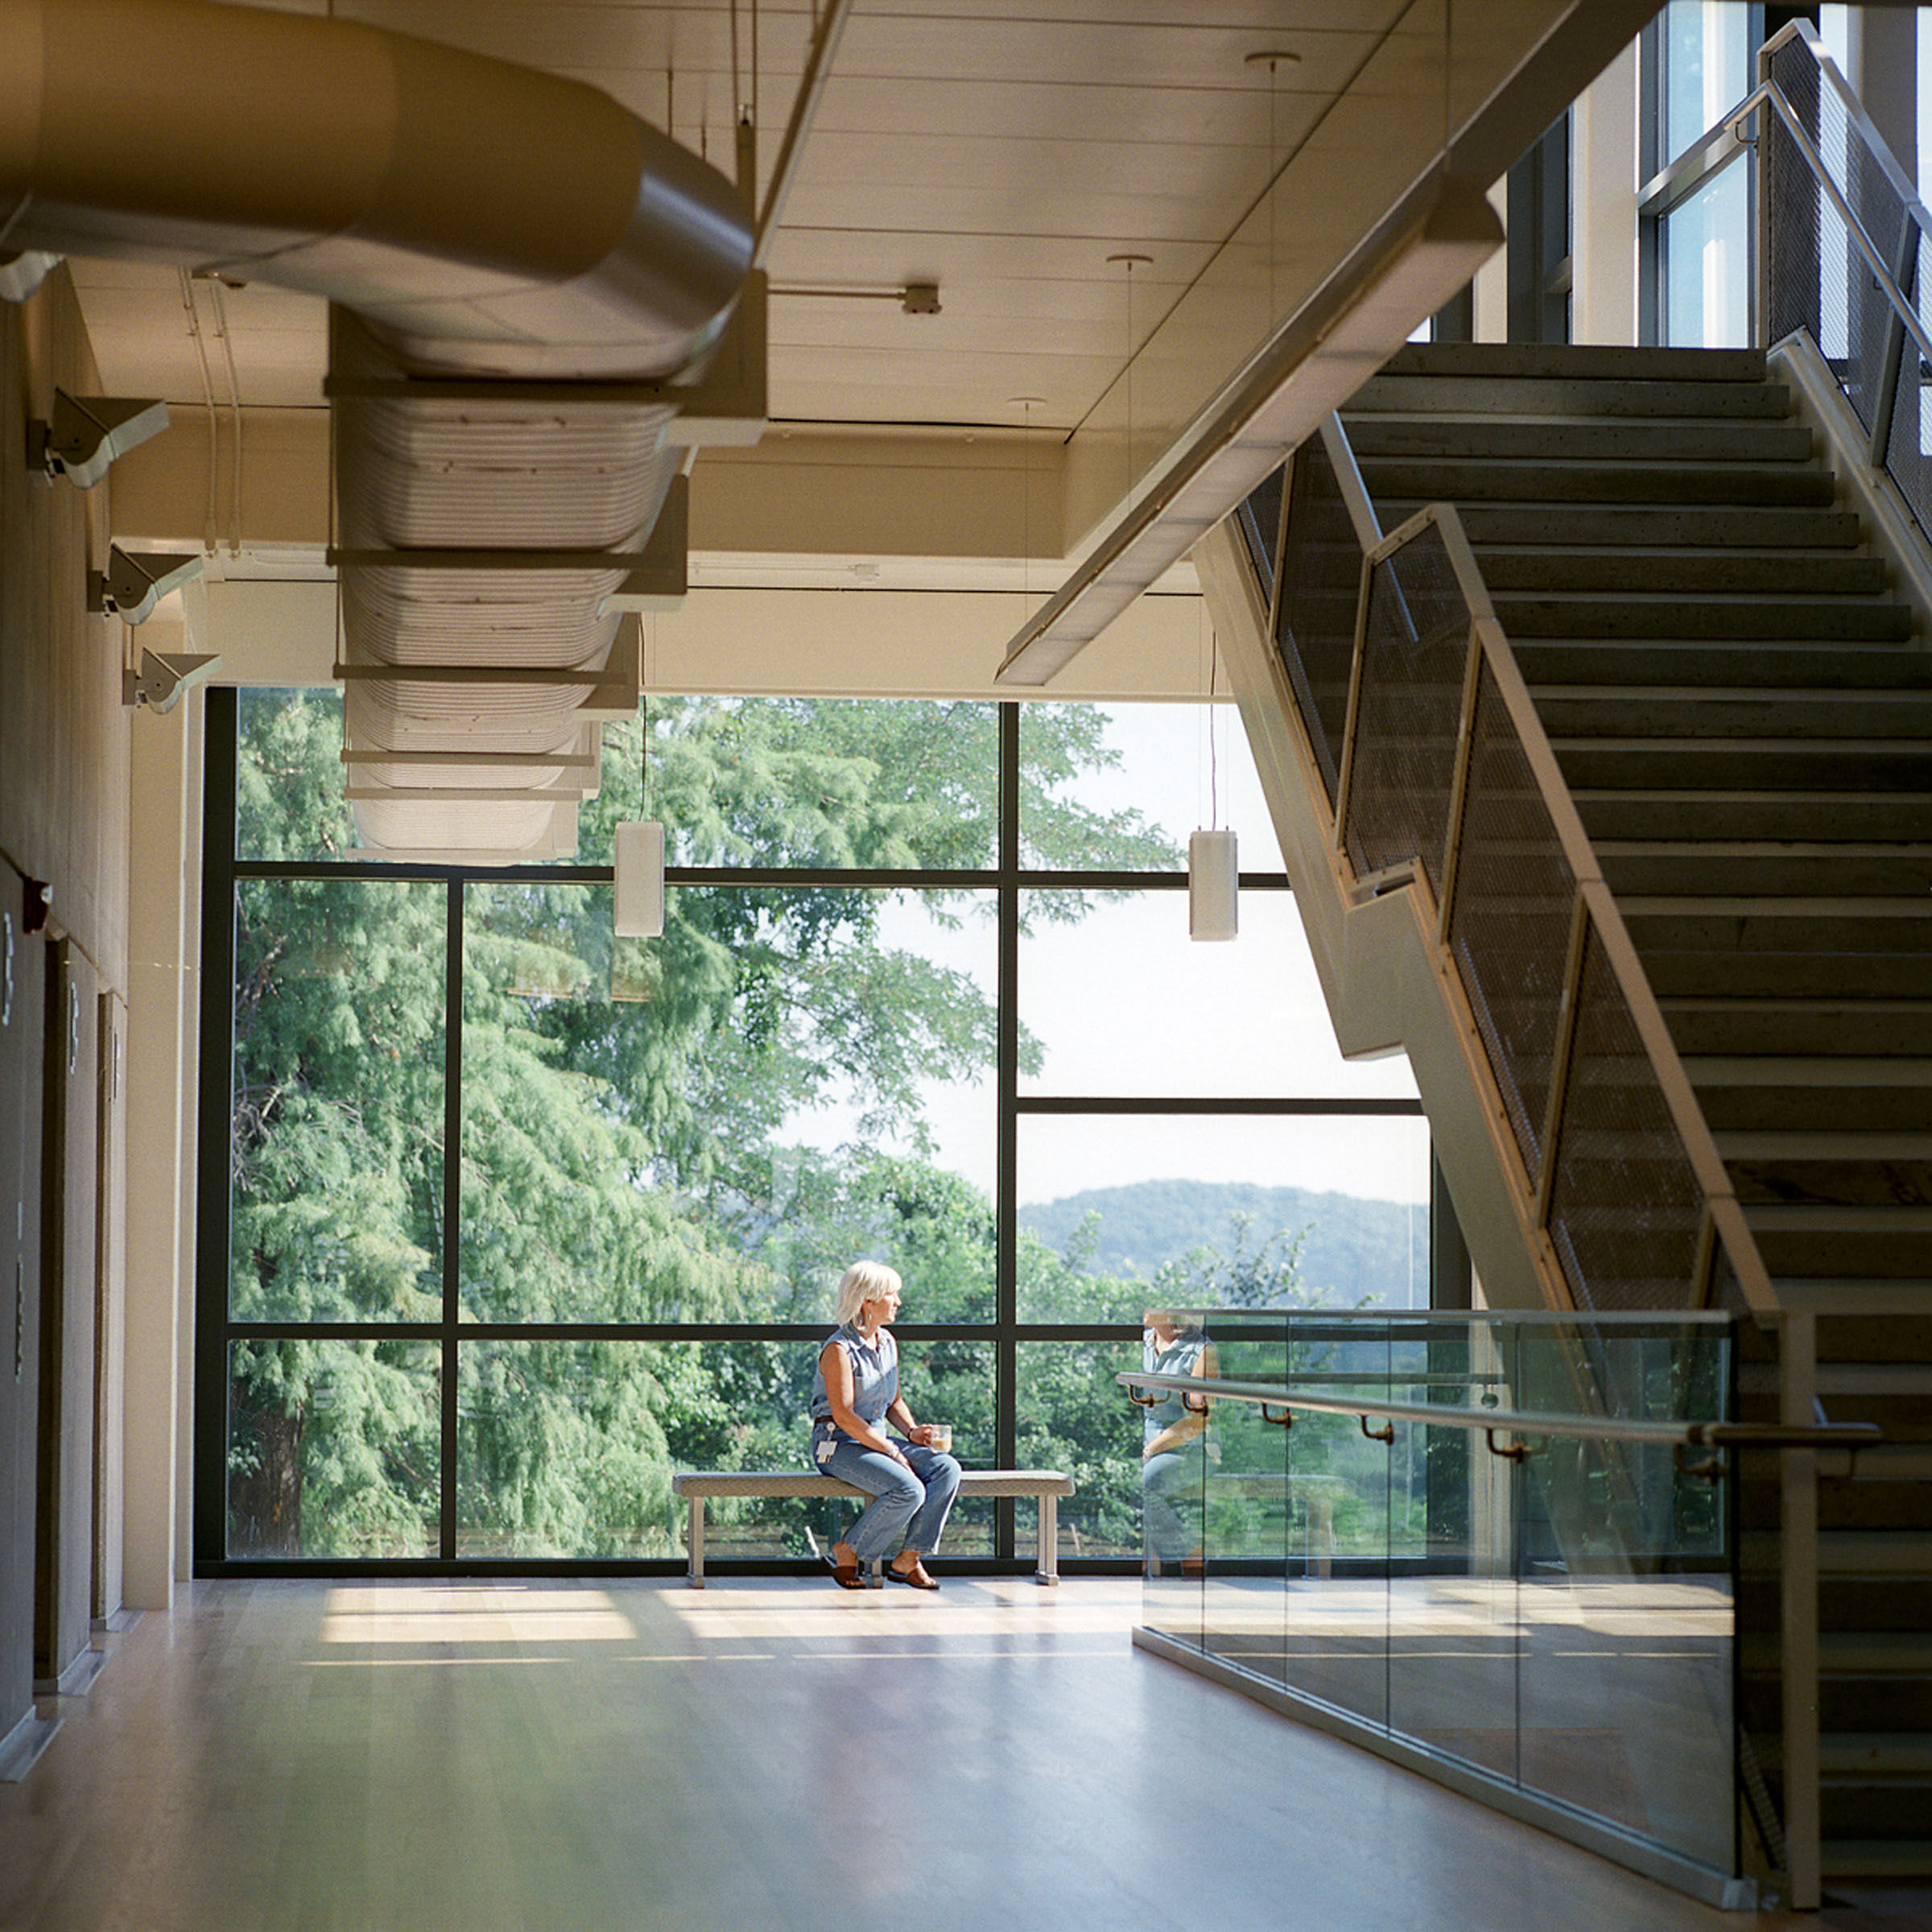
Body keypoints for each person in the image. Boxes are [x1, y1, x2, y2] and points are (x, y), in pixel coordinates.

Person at [809, 1261, 961, 1591]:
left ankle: (908, 1558)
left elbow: (893, 1402)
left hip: (878, 1438)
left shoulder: (888, 1342)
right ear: (868, 1300)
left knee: (946, 1468)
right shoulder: (839, 1349)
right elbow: (845, 1416)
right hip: (837, 1445)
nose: (898, 1302)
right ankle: (847, 1550)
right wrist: (892, 1450)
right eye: (892, 1294)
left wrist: (911, 1432)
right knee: (909, 1489)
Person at [1139, 1309, 1217, 1575]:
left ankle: (1190, 1554)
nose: (1145, 1310)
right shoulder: (1148, 1341)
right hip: (1149, 1440)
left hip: (1188, 1448)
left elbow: (1197, 1422)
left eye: (1153, 1305)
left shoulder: (1200, 1351)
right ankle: (1146, 1564)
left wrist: (1152, 1448)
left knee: (1145, 1483)